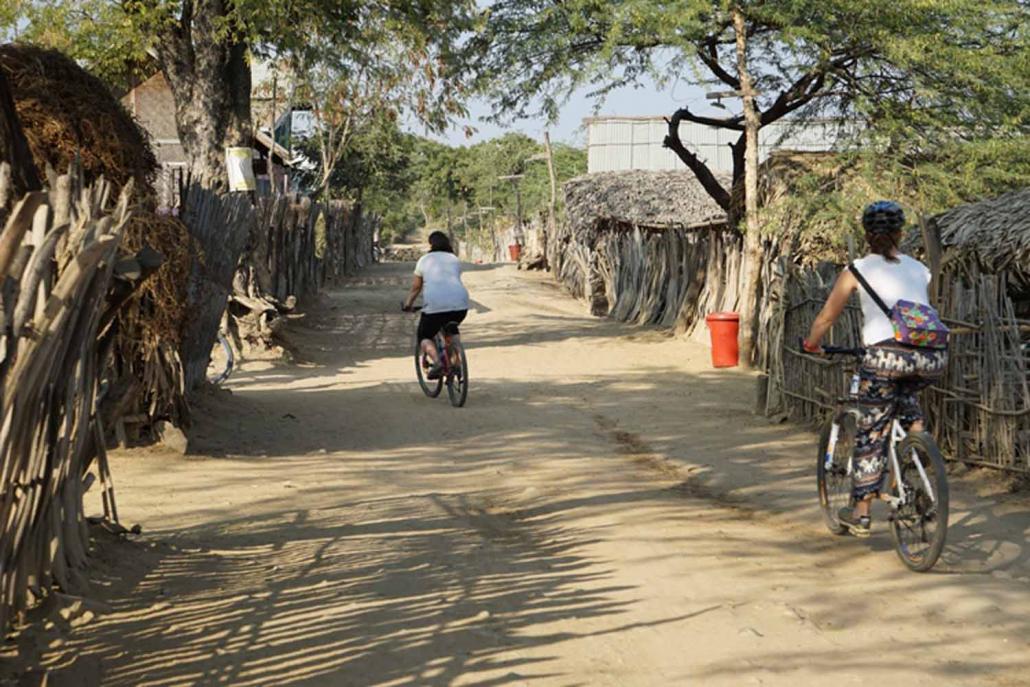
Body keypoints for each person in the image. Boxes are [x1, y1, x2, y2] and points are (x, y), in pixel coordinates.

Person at [803, 200, 948, 538]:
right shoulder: (918, 268)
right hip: (931, 357)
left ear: (866, 235)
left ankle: (862, 512)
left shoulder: (856, 270)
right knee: (907, 404)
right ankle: (915, 453)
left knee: (872, 430)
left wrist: (811, 344)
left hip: (884, 358)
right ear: (900, 233)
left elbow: (826, 317)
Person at [402, 231, 470, 379]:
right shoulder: (454, 259)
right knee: (451, 329)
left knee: (425, 335)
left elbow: (416, 287)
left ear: (431, 244)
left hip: (435, 305)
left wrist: (408, 304)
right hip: (461, 304)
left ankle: (438, 362)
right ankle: (456, 362)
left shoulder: (424, 260)